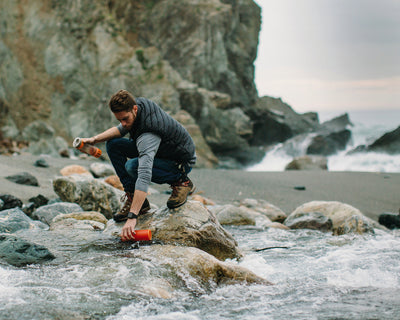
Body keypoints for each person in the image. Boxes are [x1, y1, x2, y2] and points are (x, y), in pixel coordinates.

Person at [81, 89, 196, 241]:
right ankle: (133, 196)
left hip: (179, 162)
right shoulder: (137, 108)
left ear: (134, 109)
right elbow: (121, 129)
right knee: (113, 144)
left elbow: (144, 174)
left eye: (125, 119)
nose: (123, 123)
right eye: (119, 119)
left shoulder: (149, 134)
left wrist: (132, 217)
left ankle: (182, 181)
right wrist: (94, 139)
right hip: (161, 152)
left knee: (133, 166)